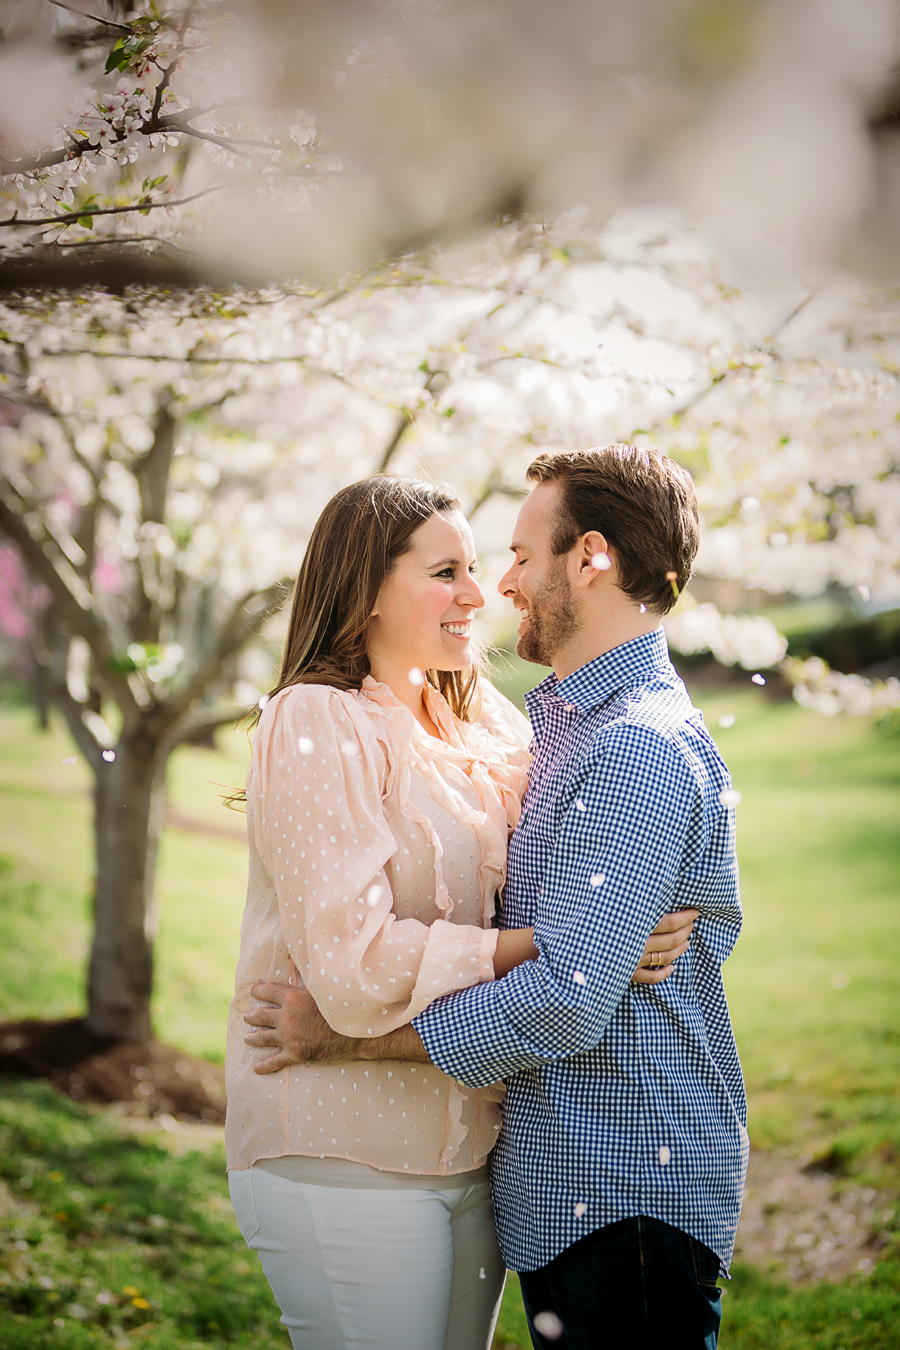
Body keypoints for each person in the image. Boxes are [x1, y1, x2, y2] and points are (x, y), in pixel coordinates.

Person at [245, 446, 747, 1350]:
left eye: (505, 558)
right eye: (454, 570)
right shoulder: (523, 725)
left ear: (590, 559)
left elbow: (569, 990)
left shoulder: (555, 734)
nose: (493, 587)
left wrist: (573, 957)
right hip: (378, 1156)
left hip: (590, 1173)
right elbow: (532, 963)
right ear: (365, 591)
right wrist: (556, 948)